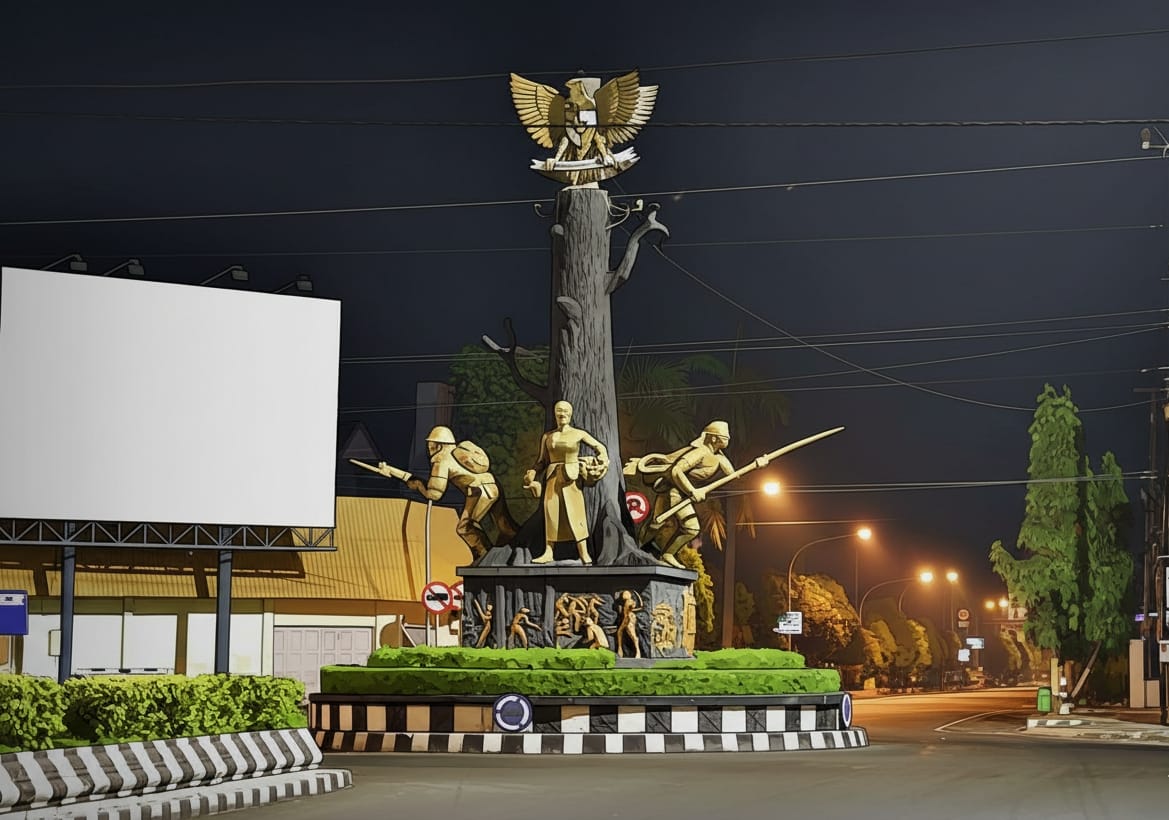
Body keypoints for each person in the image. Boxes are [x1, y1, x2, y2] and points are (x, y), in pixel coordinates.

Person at [400, 426, 518, 561]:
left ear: (439, 445)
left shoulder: (441, 460)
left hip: (478, 492)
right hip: (493, 486)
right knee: (505, 526)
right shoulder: (458, 454)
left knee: (464, 527)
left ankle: (485, 557)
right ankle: (519, 549)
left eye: (432, 445)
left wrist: (419, 486)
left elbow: (434, 494)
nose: (429, 448)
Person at [637, 421, 738, 569]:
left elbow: (735, 477)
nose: (727, 440)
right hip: (675, 492)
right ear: (713, 438)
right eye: (724, 437)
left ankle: (660, 553)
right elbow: (676, 470)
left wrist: (759, 464)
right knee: (676, 526)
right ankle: (645, 549)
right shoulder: (700, 452)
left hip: (681, 494)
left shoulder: (718, 457)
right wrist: (692, 491)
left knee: (657, 525)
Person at [523, 400, 609, 564]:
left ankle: (583, 552)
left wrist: (601, 459)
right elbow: (542, 460)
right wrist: (534, 471)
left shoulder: (578, 434)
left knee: (576, 513)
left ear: (570, 413)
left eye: (565, 411)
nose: (562, 414)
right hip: (552, 478)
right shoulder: (548, 436)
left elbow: (600, 448)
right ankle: (549, 551)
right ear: (555, 414)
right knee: (551, 513)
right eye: (559, 411)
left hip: (571, 478)